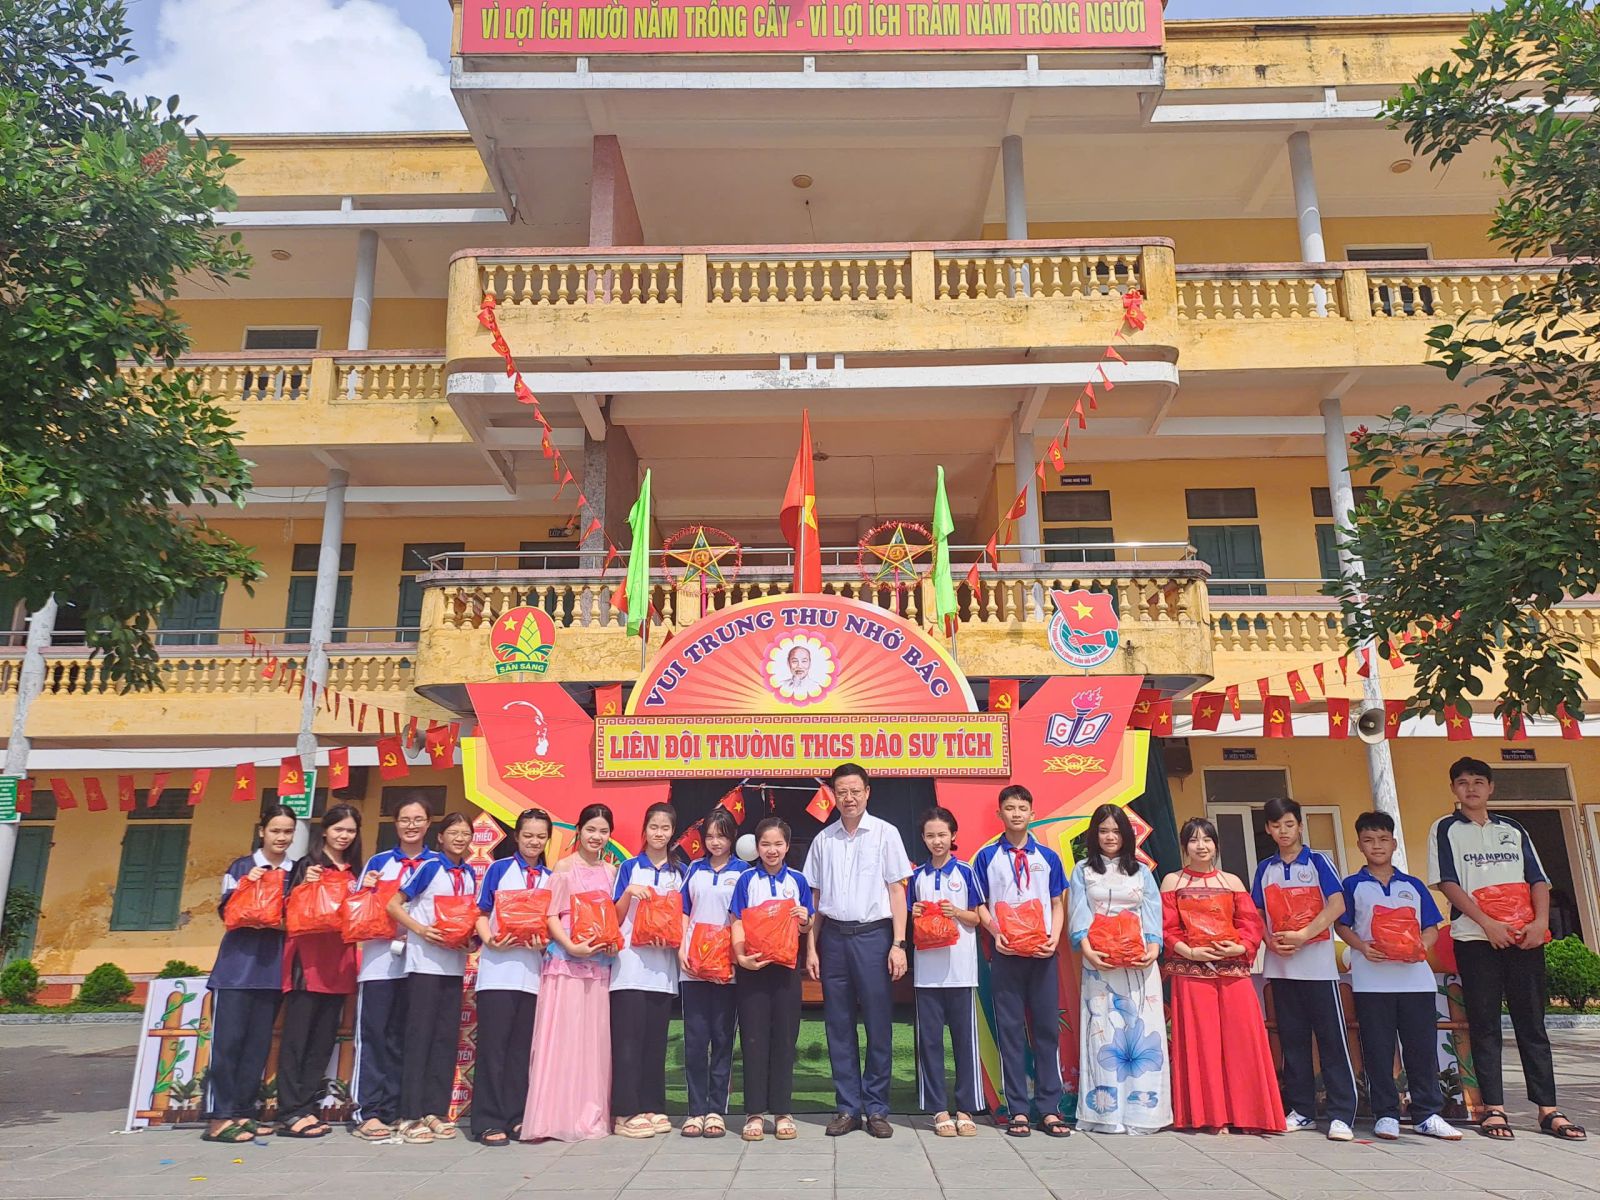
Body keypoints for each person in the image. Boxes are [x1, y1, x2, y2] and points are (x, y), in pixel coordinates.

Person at [1428, 757, 1585, 1141]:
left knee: (1532, 1024)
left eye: (1478, 781)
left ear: (1491, 787)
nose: (1471, 788)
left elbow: (1537, 880)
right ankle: (1494, 1109)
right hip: (1475, 939)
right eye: (1463, 782)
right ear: (1453, 789)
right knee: (1485, 1025)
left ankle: (1548, 1109)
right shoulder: (1445, 829)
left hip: (1524, 939)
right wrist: (1487, 924)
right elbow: (1447, 882)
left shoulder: (1513, 829)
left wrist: (1540, 923)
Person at [803, 762, 913, 1138]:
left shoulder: (886, 833)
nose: (848, 798)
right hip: (833, 939)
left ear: (867, 792)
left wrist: (898, 944)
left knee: (878, 1023)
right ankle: (848, 1107)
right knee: (838, 1024)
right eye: (841, 792)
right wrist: (811, 948)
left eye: (855, 791)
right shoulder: (824, 840)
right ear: (833, 796)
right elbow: (815, 899)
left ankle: (877, 1108)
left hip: (874, 937)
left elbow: (897, 892)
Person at [1337, 810, 1461, 1141]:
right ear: (1359, 845)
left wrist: (1420, 946)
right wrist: (1362, 947)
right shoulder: (1352, 885)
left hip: (1415, 981)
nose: (1376, 846)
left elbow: (1431, 927)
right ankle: (1386, 1114)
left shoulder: (1413, 885)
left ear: (1394, 843)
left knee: (1421, 1049)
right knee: (1378, 1050)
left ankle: (1427, 1114)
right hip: (1371, 982)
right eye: (1368, 840)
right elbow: (1342, 925)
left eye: (1382, 839)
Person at [1160, 817, 1283, 1134]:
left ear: (1216, 845)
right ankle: (1211, 1116)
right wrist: (1189, 952)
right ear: (1184, 846)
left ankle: (1250, 1115)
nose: (1201, 846)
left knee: (1243, 1039)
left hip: (1233, 970)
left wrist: (1238, 947)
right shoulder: (1173, 882)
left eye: (1207, 839)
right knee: (1203, 1043)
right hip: (1191, 972)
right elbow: (1166, 927)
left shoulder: (1232, 882)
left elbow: (1250, 924)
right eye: (1193, 840)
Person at [1250, 796, 1357, 1141]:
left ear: (1299, 826)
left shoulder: (1319, 861)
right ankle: (1302, 1110)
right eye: (1276, 825)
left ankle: (1342, 1114)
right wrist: (1270, 941)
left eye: (1289, 824)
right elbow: (1256, 913)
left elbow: (1337, 904)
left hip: (1319, 969)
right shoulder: (1264, 868)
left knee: (1331, 1041)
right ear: (1268, 829)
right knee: (1293, 1042)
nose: (1283, 831)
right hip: (1281, 969)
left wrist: (1304, 935)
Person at [972, 784, 1071, 1138]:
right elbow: (979, 904)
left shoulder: (1048, 857)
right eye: (1010, 808)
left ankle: (1050, 1108)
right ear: (999, 813)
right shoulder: (986, 857)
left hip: (1042, 955)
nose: (1016, 814)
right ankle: (1017, 1109)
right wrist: (996, 932)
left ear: (1033, 813)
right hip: (1006, 955)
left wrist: (1054, 938)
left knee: (1046, 1031)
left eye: (1022, 808)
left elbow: (1057, 903)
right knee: (1011, 1032)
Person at [1069, 804, 1170, 1135]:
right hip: (1099, 964)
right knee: (1102, 1032)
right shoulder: (1083, 870)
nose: (1110, 837)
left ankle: (1144, 1113)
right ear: (1094, 835)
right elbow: (1078, 913)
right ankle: (1104, 1113)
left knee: (1141, 1030)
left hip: (1139, 964)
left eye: (1116, 831)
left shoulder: (1141, 872)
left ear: (1127, 835)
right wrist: (1088, 951)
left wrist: (1153, 948)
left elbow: (1152, 912)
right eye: (1103, 831)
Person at [523, 803, 619, 1142]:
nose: (596, 836)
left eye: (603, 831)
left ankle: (588, 1115)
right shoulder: (564, 867)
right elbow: (550, 915)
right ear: (579, 831)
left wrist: (611, 942)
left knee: (592, 1042)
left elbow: (612, 917)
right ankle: (552, 1117)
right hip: (565, 964)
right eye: (591, 829)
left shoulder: (611, 872)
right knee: (562, 1039)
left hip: (598, 966)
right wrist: (570, 946)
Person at [203, 804, 298, 1144]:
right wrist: (249, 888)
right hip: (236, 971)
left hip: (273, 971)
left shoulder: (296, 872)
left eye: (287, 831)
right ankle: (219, 1118)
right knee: (227, 1046)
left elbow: (300, 918)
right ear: (262, 832)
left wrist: (272, 915)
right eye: (275, 830)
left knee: (257, 1048)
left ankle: (243, 1112)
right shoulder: (241, 868)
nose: (281, 837)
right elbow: (229, 914)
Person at [385, 811, 477, 1144]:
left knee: (444, 1040)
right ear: (440, 837)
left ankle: (434, 1111)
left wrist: (469, 943)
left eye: (465, 834)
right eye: (453, 832)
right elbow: (394, 904)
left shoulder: (469, 873)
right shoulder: (429, 866)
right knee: (419, 1038)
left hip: (453, 965)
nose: (460, 838)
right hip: (424, 965)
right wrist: (421, 930)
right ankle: (409, 1115)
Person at [350, 797, 437, 1141]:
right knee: (374, 1036)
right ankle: (368, 1111)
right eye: (405, 819)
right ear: (395, 823)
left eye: (418, 819)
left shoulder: (436, 863)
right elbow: (356, 910)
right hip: (379, 964)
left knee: (405, 1039)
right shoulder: (378, 862)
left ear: (429, 823)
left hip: (422, 966)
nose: (411, 825)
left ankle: (397, 1108)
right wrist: (368, 888)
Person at [277, 803, 362, 1139]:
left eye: (350, 830)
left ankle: (306, 1106)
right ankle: (289, 1111)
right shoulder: (307, 865)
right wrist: (304, 886)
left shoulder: (354, 871)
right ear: (324, 831)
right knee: (297, 1040)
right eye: (338, 829)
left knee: (322, 1042)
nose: (344, 835)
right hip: (307, 965)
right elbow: (285, 911)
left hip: (339, 965)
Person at [471, 808, 553, 1146]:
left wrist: (544, 942)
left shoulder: (550, 878)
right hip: (497, 973)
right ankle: (487, 1120)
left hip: (532, 976)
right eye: (528, 835)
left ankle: (517, 1116)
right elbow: (480, 913)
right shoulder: (498, 869)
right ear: (517, 836)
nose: (534, 841)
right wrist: (489, 940)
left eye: (541, 836)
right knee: (493, 1048)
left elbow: (553, 926)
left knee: (521, 1051)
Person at [731, 817, 815, 1142]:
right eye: (765, 844)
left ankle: (782, 1111)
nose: (772, 850)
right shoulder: (746, 880)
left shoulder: (798, 880)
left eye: (778, 843)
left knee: (784, 1039)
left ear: (787, 846)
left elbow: (807, 925)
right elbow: (736, 921)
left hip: (786, 970)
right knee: (752, 1039)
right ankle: (754, 1113)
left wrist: (805, 920)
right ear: (757, 847)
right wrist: (741, 957)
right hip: (753, 969)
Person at [910, 806, 985, 1138]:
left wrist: (956, 912)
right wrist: (915, 911)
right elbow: (908, 916)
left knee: (964, 1041)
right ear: (923, 838)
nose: (937, 841)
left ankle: (966, 1107)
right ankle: (938, 1109)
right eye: (930, 835)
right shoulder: (916, 876)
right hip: (927, 971)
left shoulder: (966, 871)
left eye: (942, 834)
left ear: (953, 835)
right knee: (930, 1042)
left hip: (961, 970)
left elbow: (977, 917)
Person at [610, 802, 684, 1138]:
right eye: (654, 827)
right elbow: (613, 917)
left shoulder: (680, 872)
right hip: (629, 968)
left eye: (665, 828)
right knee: (627, 1042)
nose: (659, 833)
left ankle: (653, 1105)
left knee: (655, 1044)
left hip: (663, 970)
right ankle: (625, 1112)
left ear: (673, 832)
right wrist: (628, 892)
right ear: (645, 830)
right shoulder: (628, 867)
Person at [677, 807, 747, 1139]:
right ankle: (695, 1111)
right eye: (710, 836)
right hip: (693, 966)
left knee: (722, 1038)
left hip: (727, 967)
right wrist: (681, 948)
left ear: (732, 837)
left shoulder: (744, 872)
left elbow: (746, 918)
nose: (715, 842)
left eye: (722, 836)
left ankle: (717, 1110)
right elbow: (683, 911)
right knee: (694, 1040)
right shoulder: (694, 868)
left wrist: (737, 955)